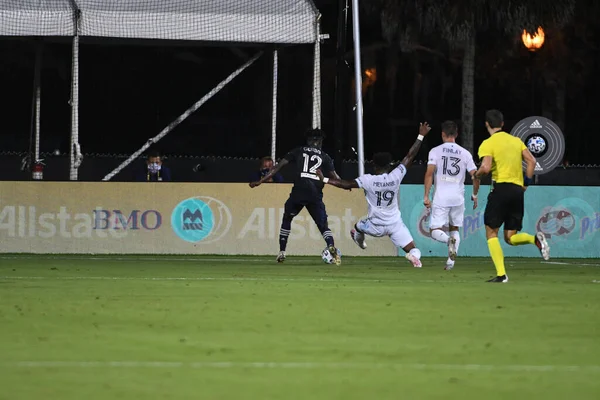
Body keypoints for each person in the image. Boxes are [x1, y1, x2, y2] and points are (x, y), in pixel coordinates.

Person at [316, 122, 431, 268]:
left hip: (375, 226)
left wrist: (324, 179)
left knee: (358, 226)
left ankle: (358, 236)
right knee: (414, 249)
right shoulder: (396, 176)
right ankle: (413, 257)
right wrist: (421, 135)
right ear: (389, 165)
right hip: (395, 225)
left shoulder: (368, 180)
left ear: (374, 166)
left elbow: (345, 184)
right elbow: (410, 155)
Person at [474, 109, 550, 283]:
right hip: (517, 191)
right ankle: (534, 239)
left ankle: (501, 275)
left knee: (491, 232)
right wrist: (526, 184)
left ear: (486, 124)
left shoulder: (488, 143)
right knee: (510, 237)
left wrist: (476, 175)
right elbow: (532, 161)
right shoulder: (516, 141)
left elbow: (485, 168)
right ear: (502, 124)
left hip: (500, 189)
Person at [249, 129, 343, 264]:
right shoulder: (325, 156)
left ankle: (282, 251)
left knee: (287, 218)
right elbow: (336, 177)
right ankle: (331, 246)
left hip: (299, 191)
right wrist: (347, 185)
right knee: (323, 225)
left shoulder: (298, 151)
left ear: (308, 140)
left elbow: (277, 168)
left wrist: (260, 181)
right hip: (315, 193)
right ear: (320, 142)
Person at [423, 121, 480, 271]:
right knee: (455, 228)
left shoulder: (435, 151)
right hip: (458, 198)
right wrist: (475, 194)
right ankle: (450, 262)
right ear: (456, 134)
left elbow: (429, 174)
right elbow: (476, 176)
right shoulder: (465, 153)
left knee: (434, 231)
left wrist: (426, 196)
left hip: (441, 197)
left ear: (443, 134)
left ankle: (449, 241)